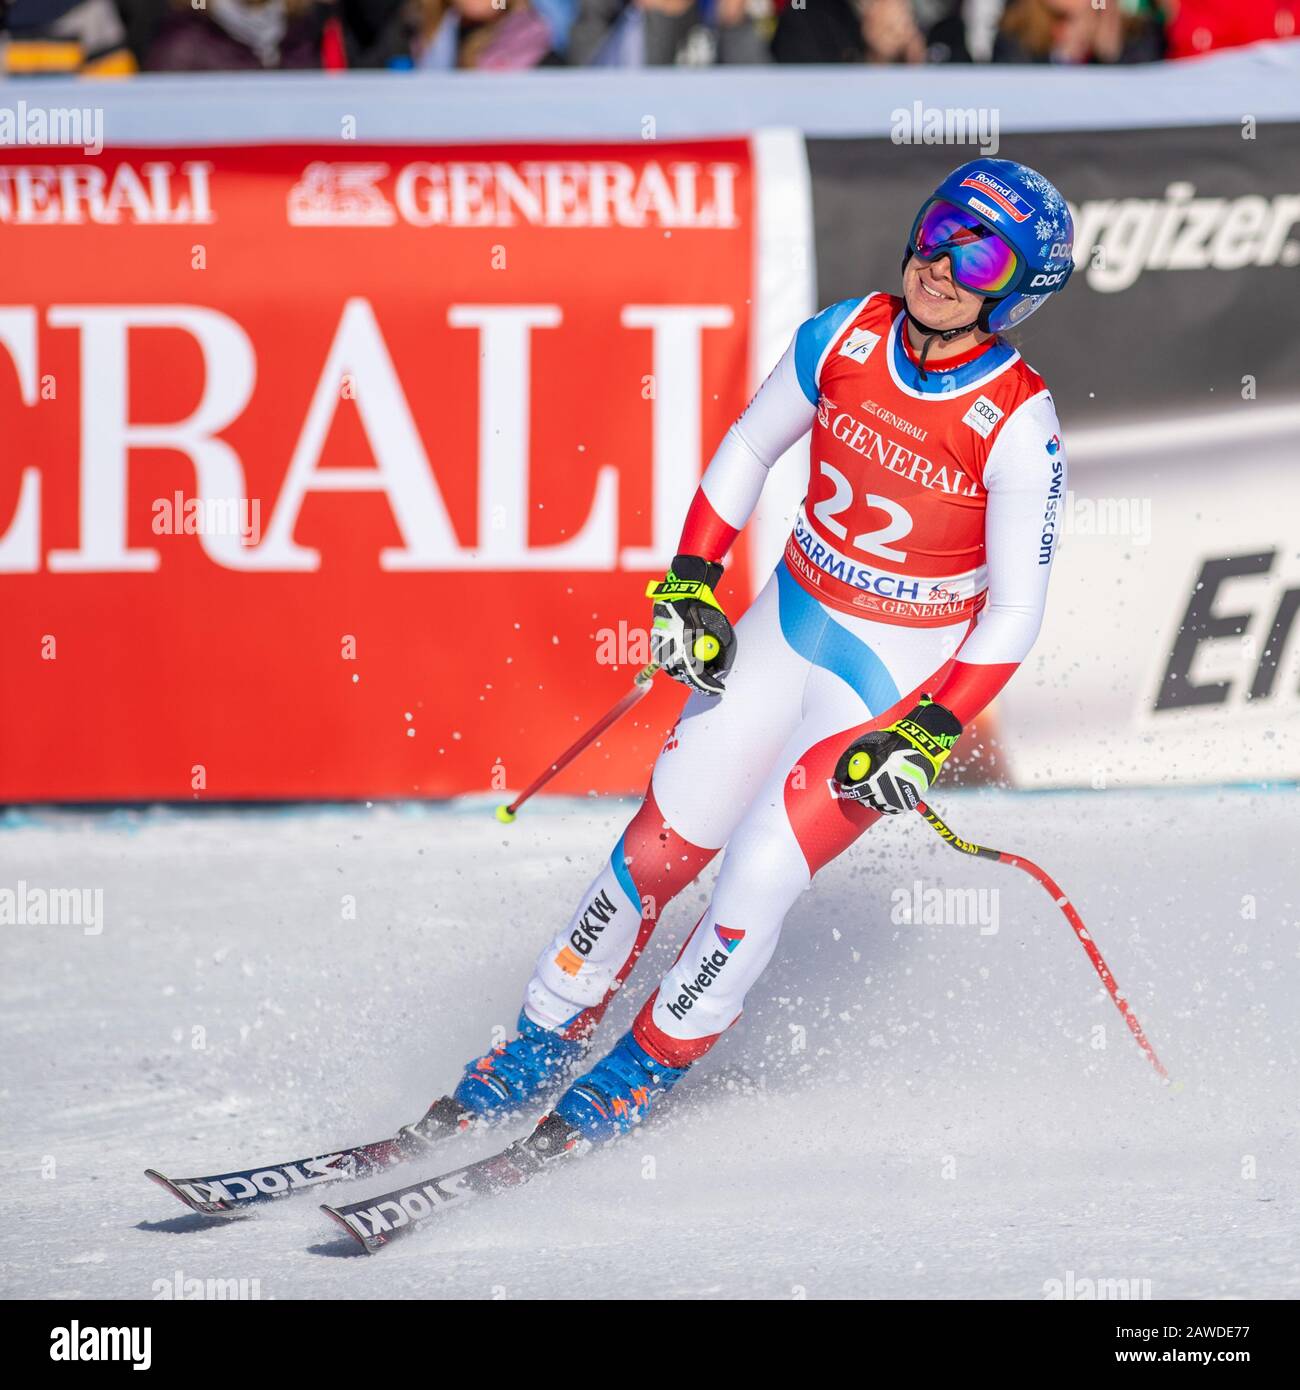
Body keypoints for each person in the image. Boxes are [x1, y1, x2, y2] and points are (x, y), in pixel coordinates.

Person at [441, 158, 1075, 1152]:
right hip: (787, 626)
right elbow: (746, 450)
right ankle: (537, 1038)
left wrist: (924, 728)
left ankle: (643, 1066)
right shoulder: (842, 335)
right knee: (659, 845)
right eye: (939, 229)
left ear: (1017, 289)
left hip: (884, 683)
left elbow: (1015, 611)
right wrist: (690, 581)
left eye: (980, 251)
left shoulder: (1017, 423)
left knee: (758, 874)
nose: (943, 264)